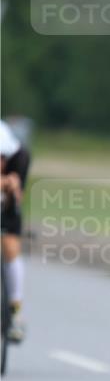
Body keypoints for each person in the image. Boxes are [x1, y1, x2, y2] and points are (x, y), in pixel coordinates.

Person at [0, 120, 30, 343]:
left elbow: (18, 197)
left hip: (6, 204)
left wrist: (11, 186)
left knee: (11, 247)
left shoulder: (20, 157)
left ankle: (16, 310)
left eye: (2, 159)